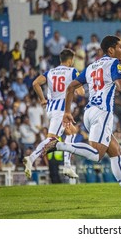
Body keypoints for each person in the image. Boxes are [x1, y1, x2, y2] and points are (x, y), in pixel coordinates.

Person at [43, 35, 121, 205]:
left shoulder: (91, 66)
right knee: (96, 156)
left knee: (116, 152)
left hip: (89, 113)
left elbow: (71, 87)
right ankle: (59, 145)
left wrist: (67, 112)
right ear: (111, 50)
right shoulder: (114, 63)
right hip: (102, 113)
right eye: (120, 47)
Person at [23, 48, 85, 180]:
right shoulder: (72, 71)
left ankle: (67, 166)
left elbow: (35, 83)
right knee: (51, 139)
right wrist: (78, 86)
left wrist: (42, 99)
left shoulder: (50, 72)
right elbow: (81, 93)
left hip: (52, 109)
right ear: (70, 60)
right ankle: (31, 158)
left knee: (72, 133)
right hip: (62, 111)